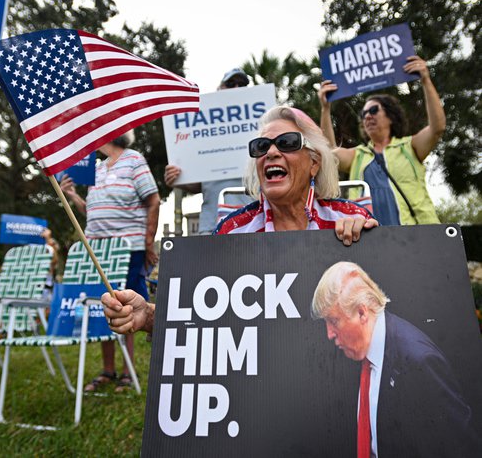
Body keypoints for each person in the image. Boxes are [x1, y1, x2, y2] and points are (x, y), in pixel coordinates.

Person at [103, 106, 377, 335]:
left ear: (314, 162)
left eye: (287, 143)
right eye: (261, 147)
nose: (270, 153)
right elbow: (204, 312)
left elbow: (384, 311)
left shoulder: (350, 220)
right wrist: (148, 315)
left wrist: (369, 247)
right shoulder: (232, 232)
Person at [311, 261, 480, 457]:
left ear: (362, 313)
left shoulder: (419, 363)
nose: (329, 334)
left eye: (333, 321)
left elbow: (459, 448)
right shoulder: (359, 355)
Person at [60, 130, 160, 392]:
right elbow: (91, 211)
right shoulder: (96, 169)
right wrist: (72, 195)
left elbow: (153, 200)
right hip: (98, 250)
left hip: (129, 248)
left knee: (126, 306)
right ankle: (108, 369)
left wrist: (149, 242)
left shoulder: (134, 160)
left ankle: (127, 373)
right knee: (105, 305)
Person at [318, 55, 444, 226]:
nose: (367, 116)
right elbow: (328, 152)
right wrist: (325, 109)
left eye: (373, 110)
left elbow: (437, 128)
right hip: (369, 238)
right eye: (363, 114)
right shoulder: (357, 156)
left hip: (416, 236)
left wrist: (426, 81)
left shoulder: (410, 147)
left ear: (391, 116)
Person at [164, 68, 253, 234]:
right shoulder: (203, 137)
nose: (236, 88)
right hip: (213, 224)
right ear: (220, 89)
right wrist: (177, 178)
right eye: (231, 84)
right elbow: (199, 185)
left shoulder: (263, 125)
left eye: (241, 84)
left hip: (254, 222)